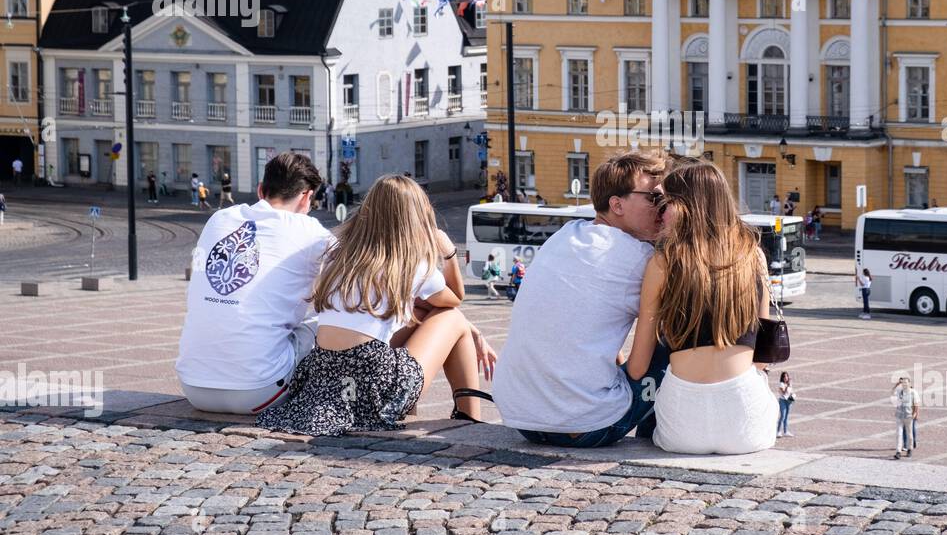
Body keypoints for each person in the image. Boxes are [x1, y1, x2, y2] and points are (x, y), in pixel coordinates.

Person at [258, 175, 495, 436]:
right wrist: (449, 254)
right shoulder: (411, 264)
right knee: (453, 318)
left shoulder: (341, 254)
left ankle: (457, 414)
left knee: (419, 313)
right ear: (414, 217)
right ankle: (470, 418)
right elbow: (453, 299)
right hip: (375, 388)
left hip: (325, 381)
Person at [493, 150, 670, 448]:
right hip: (586, 425)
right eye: (653, 198)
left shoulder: (564, 235)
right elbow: (640, 369)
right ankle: (659, 440)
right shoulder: (641, 259)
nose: (661, 208)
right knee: (675, 339)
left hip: (522, 417)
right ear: (617, 205)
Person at [176, 153, 333, 414]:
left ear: (261, 190)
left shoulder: (218, 219)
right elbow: (353, 280)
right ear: (306, 197)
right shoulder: (311, 231)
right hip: (259, 391)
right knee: (330, 318)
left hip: (193, 387)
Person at [647, 162, 779, 456]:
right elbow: (760, 359)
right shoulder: (752, 254)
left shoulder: (662, 262)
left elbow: (640, 361)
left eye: (665, 203)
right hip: (747, 427)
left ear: (684, 207)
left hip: (680, 430)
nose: (660, 213)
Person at [893, 375, 919, 458]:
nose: (904, 384)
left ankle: (910, 449)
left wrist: (915, 414)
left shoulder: (913, 392)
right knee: (899, 434)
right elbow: (892, 392)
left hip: (908, 416)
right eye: (903, 383)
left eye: (906, 383)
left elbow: (916, 404)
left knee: (909, 433)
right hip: (899, 416)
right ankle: (898, 451)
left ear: (909, 383)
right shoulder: (899, 391)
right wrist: (897, 383)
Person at [777, 372, 795, 438]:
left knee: (786, 417)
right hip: (783, 400)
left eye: (787, 376)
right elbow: (784, 392)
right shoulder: (781, 384)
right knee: (782, 416)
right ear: (782, 378)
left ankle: (785, 431)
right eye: (784, 377)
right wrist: (788, 386)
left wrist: (793, 396)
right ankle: (778, 431)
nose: (786, 378)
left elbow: (791, 391)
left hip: (789, 400)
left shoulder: (789, 384)